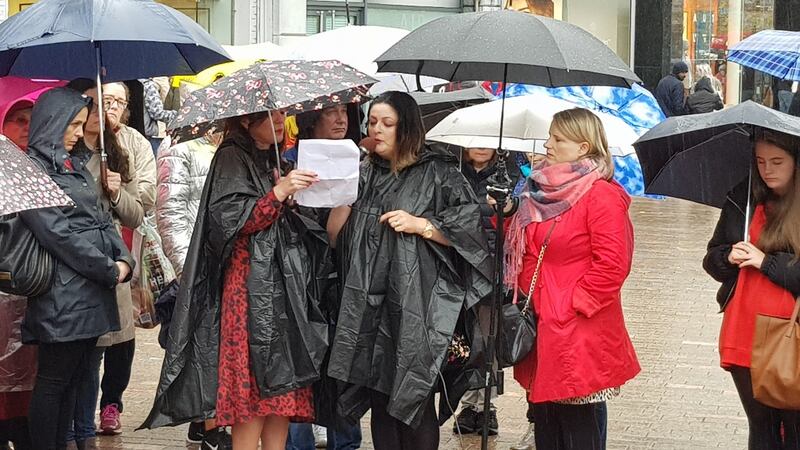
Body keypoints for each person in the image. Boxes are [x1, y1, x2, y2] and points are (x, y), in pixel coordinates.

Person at [143, 108, 331, 450]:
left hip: (281, 287)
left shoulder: (270, 157)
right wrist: (277, 193)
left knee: (281, 389)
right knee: (251, 390)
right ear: (246, 121)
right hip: (246, 290)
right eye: (272, 117)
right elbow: (230, 221)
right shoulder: (231, 156)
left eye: (283, 116)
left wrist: (288, 195)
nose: (281, 122)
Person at [326, 91, 493, 450]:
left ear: (407, 128)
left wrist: (423, 225)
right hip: (369, 305)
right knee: (380, 399)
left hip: (419, 305)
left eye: (387, 123)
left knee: (415, 400)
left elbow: (471, 232)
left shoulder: (439, 171)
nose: (377, 130)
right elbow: (337, 238)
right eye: (372, 122)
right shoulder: (364, 171)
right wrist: (341, 191)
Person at [496, 108, 640, 449]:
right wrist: (505, 215)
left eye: (558, 139)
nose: (547, 144)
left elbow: (613, 264)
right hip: (541, 321)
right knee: (547, 423)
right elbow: (524, 243)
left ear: (583, 147)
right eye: (550, 136)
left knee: (579, 425)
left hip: (578, 328)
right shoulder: (540, 191)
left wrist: (575, 304)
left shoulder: (601, 195)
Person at [19, 87, 133, 450]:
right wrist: (108, 268)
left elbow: (102, 218)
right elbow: (56, 233)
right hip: (64, 292)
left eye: (81, 125)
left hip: (90, 290)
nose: (77, 133)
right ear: (52, 124)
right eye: (72, 125)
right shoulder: (35, 170)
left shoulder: (76, 164)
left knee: (76, 378)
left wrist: (125, 260)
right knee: (54, 380)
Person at [64, 79, 157, 440]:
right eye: (100, 101)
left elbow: (137, 210)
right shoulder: (63, 153)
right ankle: (76, 429)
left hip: (116, 261)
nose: (107, 109)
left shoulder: (121, 149)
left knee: (116, 340)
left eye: (117, 102)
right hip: (74, 267)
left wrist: (116, 192)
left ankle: (106, 409)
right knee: (83, 358)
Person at [703, 131, 800, 449]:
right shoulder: (742, 198)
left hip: (790, 333)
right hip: (744, 327)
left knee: (794, 428)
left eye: (777, 161)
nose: (767, 170)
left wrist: (766, 262)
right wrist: (727, 256)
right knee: (761, 427)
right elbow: (712, 259)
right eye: (760, 161)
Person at [284, 105, 364, 450]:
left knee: (343, 368)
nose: (340, 119)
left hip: (345, 281)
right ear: (310, 118)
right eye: (331, 112)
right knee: (296, 371)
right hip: (296, 282)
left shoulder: (360, 162)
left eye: (345, 112)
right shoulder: (287, 161)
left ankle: (345, 443)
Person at [155, 130, 232, 450]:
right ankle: (211, 426)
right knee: (204, 348)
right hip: (196, 266)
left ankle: (204, 423)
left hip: (229, 264)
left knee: (217, 347)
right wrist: (187, 269)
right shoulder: (180, 147)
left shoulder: (235, 148)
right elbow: (169, 212)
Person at [451, 147, 500, 436]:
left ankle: (485, 406)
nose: (480, 147)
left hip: (490, 269)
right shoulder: (452, 174)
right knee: (463, 340)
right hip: (456, 268)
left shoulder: (509, 177)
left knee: (487, 339)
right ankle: (466, 403)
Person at [0, 98, 38, 450]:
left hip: (31, 293)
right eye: (18, 119)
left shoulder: (40, 169)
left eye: (32, 119)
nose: (26, 125)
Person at [141, 77, 177, 155]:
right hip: (148, 135)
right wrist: (177, 115)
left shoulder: (125, 83)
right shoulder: (148, 85)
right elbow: (157, 113)